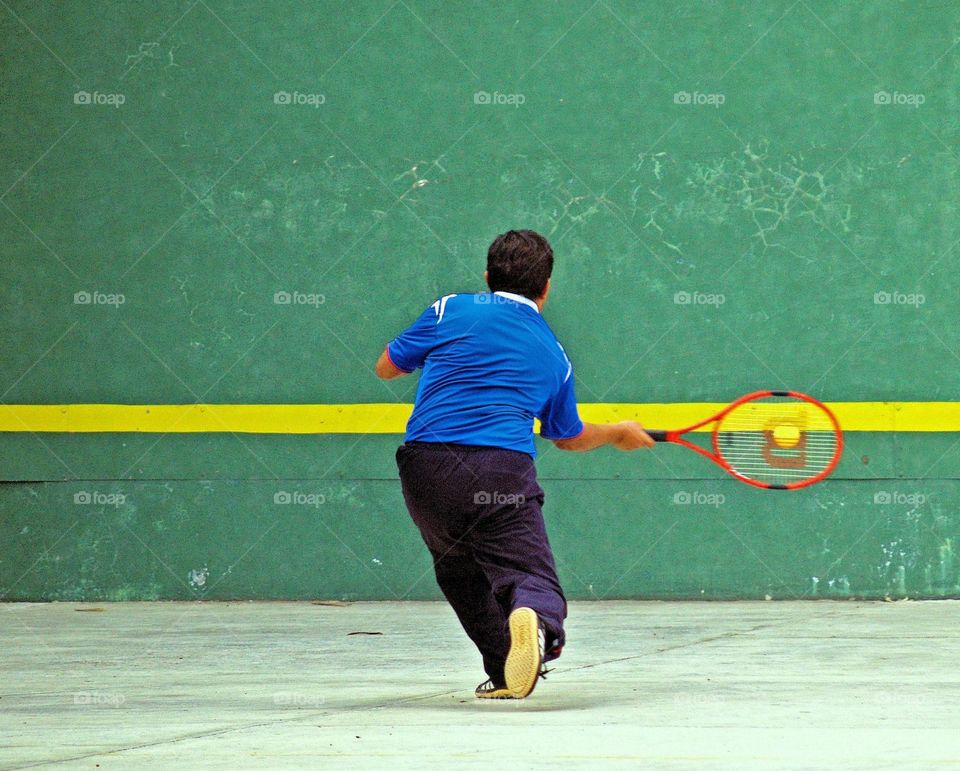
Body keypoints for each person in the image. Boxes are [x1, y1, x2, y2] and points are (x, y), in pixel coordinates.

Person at [375, 229, 653, 699]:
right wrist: (616, 433)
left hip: (423, 470)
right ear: (546, 288)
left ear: (487, 277)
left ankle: (506, 670)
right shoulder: (553, 354)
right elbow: (567, 439)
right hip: (497, 472)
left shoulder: (450, 309)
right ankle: (536, 619)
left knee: (459, 570)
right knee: (530, 577)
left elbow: (387, 366)